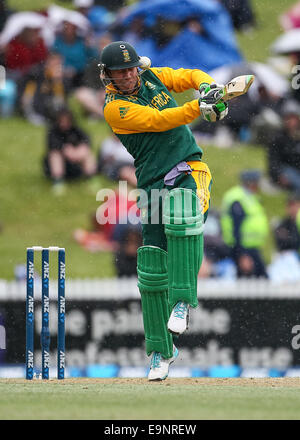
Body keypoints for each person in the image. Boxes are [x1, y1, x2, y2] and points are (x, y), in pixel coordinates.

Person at [99, 40, 228, 380]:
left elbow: (188, 75)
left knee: (183, 216)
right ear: (108, 76)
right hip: (152, 181)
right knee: (152, 264)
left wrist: (208, 88)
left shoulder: (152, 76)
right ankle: (160, 351)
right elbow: (160, 120)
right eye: (119, 72)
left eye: (130, 68)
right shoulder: (115, 108)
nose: (127, 76)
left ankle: (183, 302)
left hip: (188, 167)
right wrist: (201, 107)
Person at [220, 169, 269, 278]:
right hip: (242, 249)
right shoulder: (238, 198)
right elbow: (236, 229)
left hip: (250, 248)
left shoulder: (249, 197)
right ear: (251, 183)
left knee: (259, 282)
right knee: (251, 284)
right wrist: (242, 255)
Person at [44, 107, 97, 194]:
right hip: (57, 165)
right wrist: (65, 150)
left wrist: (79, 150)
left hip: (75, 165)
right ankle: (58, 181)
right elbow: (53, 145)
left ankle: (91, 178)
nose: (64, 124)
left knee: (87, 153)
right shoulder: (53, 131)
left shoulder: (76, 130)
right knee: (55, 155)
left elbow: (87, 141)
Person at [266, 100, 300, 192]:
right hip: (285, 169)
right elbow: (273, 161)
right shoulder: (277, 138)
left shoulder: (297, 136)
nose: (291, 122)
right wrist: (278, 175)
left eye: (294, 118)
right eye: (288, 118)